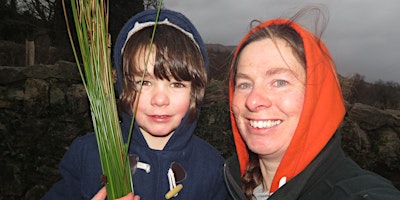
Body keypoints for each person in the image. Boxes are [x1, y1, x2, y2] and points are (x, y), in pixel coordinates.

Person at [42, 8, 227, 199]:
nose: (160, 100)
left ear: (195, 91)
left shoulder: (213, 168)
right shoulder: (88, 154)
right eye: (144, 82)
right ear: (124, 86)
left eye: (177, 84)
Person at [224, 7, 400, 200]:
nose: (253, 100)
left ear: (318, 96)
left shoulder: (355, 193)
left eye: (280, 82)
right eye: (244, 84)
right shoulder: (225, 183)